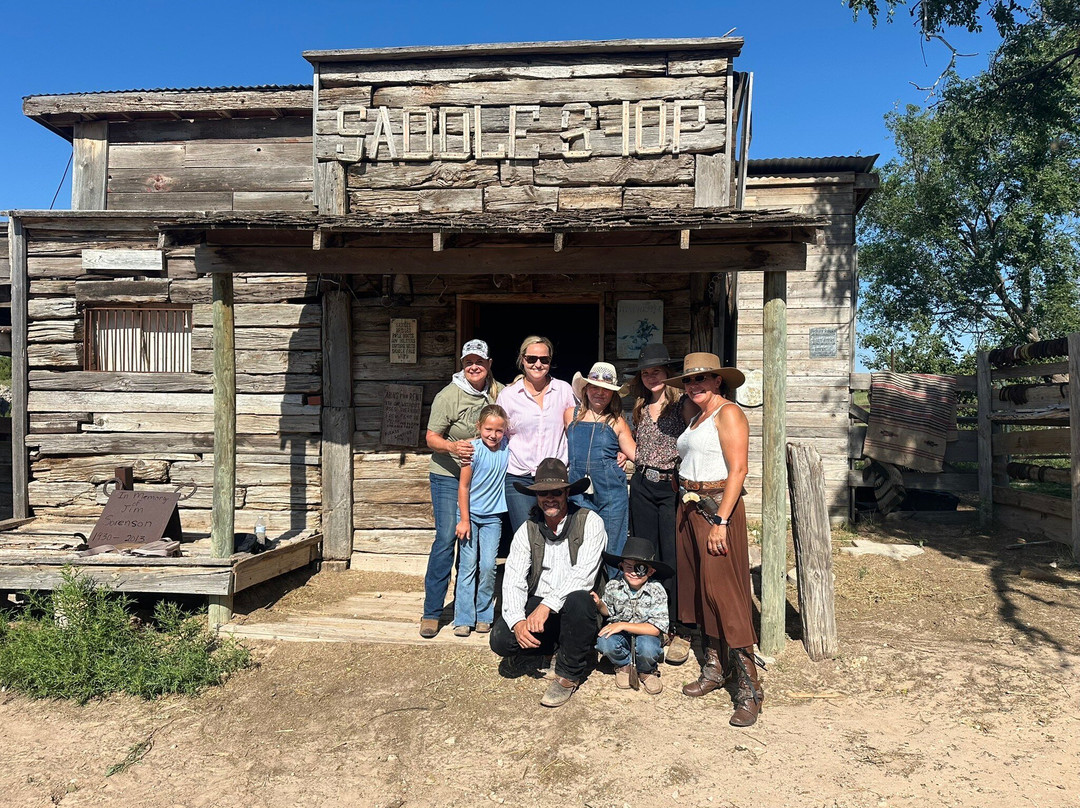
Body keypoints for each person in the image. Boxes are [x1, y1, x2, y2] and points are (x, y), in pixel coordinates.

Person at [666, 352, 763, 727]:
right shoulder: (695, 417)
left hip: (715, 509)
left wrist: (721, 519)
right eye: (689, 381)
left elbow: (738, 468)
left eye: (702, 379)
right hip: (688, 507)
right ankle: (715, 667)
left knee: (725, 592)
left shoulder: (729, 413)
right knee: (699, 591)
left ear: (717, 381)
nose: (694, 386)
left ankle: (749, 689)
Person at [489, 457, 605, 709]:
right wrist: (518, 621)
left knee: (578, 599)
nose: (549, 498)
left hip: (576, 608)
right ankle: (557, 647)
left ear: (566, 493)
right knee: (501, 639)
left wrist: (548, 606)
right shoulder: (527, 530)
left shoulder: (590, 522)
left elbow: (583, 575)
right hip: (541, 605)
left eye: (556, 492)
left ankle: (568, 674)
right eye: (543, 493)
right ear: (536, 497)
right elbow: (514, 579)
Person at [420, 339, 503, 639]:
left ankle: (467, 611)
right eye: (468, 361)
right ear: (462, 363)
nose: (473, 366)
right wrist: (452, 446)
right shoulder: (448, 396)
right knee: (446, 538)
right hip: (448, 476)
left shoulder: (498, 393)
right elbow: (431, 437)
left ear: (488, 363)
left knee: (474, 549)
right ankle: (431, 612)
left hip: (479, 481)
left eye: (479, 361)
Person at [622, 344, 698, 665]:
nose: (651, 376)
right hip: (641, 483)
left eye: (656, 371)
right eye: (646, 372)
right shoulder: (639, 406)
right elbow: (637, 445)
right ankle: (649, 619)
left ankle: (678, 627)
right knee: (645, 550)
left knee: (672, 553)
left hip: (669, 485)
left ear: (667, 373)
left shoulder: (683, 404)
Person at [497, 336, 576, 533]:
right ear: (522, 360)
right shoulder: (508, 395)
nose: (538, 364)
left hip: (555, 477)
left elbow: (578, 429)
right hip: (520, 475)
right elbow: (497, 434)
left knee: (556, 533)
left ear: (550, 361)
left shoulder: (564, 391)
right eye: (532, 359)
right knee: (526, 535)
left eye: (544, 359)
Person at [564, 362, 636, 577]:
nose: (600, 393)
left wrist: (624, 455)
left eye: (606, 389)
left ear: (613, 394)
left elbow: (636, 454)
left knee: (613, 544)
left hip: (611, 492)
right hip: (577, 489)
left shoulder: (618, 422)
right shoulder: (570, 414)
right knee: (579, 542)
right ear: (585, 389)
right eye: (594, 387)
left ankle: (612, 595)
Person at [452, 404, 511, 637]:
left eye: (498, 430)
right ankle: (464, 618)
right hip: (469, 515)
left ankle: (484, 614)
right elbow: (464, 486)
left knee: (487, 566)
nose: (493, 435)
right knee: (468, 565)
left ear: (505, 431)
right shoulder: (472, 450)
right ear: (479, 427)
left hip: (493, 518)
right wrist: (464, 520)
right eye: (488, 429)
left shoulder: (508, 448)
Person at [592, 535, 673, 695]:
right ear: (621, 566)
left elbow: (656, 629)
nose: (634, 573)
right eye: (629, 567)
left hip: (646, 635)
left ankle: (646, 670)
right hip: (620, 635)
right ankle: (624, 665)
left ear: (650, 571)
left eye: (640, 568)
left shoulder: (656, 591)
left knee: (647, 648)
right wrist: (599, 604)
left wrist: (622, 624)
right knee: (604, 642)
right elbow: (609, 611)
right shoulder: (613, 586)